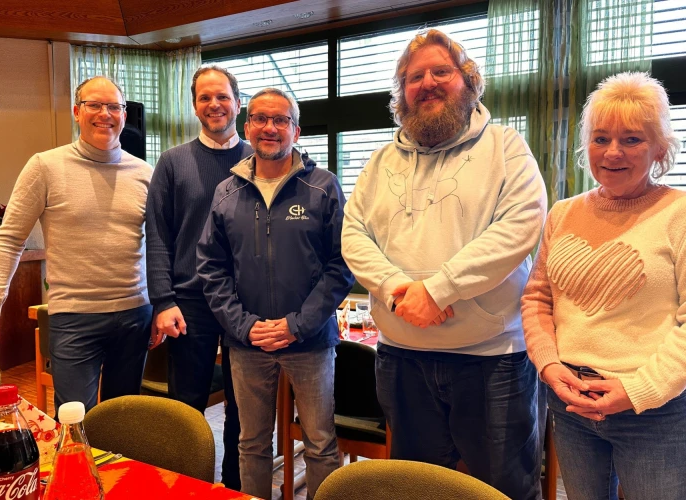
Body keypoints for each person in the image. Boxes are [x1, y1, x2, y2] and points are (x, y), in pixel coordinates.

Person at [341, 29, 547, 499]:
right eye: (415, 77)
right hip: (401, 355)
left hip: (492, 358)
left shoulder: (506, 146)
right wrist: (398, 288)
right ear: (402, 92)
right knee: (415, 488)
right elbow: (353, 235)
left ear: (468, 81)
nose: (428, 83)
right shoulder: (379, 162)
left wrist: (438, 290)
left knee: (504, 488)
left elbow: (520, 227)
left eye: (441, 72)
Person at [521, 72, 686, 499]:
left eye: (632, 139)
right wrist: (549, 366)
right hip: (571, 401)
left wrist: (636, 390)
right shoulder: (563, 213)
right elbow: (537, 298)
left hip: (652, 410)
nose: (613, 152)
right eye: (600, 138)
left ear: (660, 147)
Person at [197, 87, 354, 500]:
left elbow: (342, 264)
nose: (270, 127)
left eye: (280, 120)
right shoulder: (226, 192)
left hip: (311, 342)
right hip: (246, 343)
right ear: (247, 127)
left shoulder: (324, 187)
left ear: (296, 130)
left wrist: (296, 325)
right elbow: (210, 268)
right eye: (261, 119)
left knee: (320, 443)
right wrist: (245, 327)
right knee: (251, 443)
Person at [0, 76, 153, 413]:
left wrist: (161, 303)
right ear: (77, 112)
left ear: (124, 114)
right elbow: (8, 242)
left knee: (124, 419)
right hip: (74, 317)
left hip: (134, 315)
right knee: (72, 419)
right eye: (95, 105)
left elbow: (160, 246)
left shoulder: (144, 173)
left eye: (114, 106)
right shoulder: (45, 166)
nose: (104, 114)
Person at [145, 65, 251, 490]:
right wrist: (162, 300)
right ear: (194, 106)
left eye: (222, 96)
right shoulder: (172, 163)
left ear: (237, 103)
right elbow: (157, 234)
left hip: (247, 304)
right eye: (205, 98)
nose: (214, 105)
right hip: (189, 304)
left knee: (244, 409)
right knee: (187, 406)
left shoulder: (258, 158)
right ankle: (186, 485)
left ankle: (235, 487)